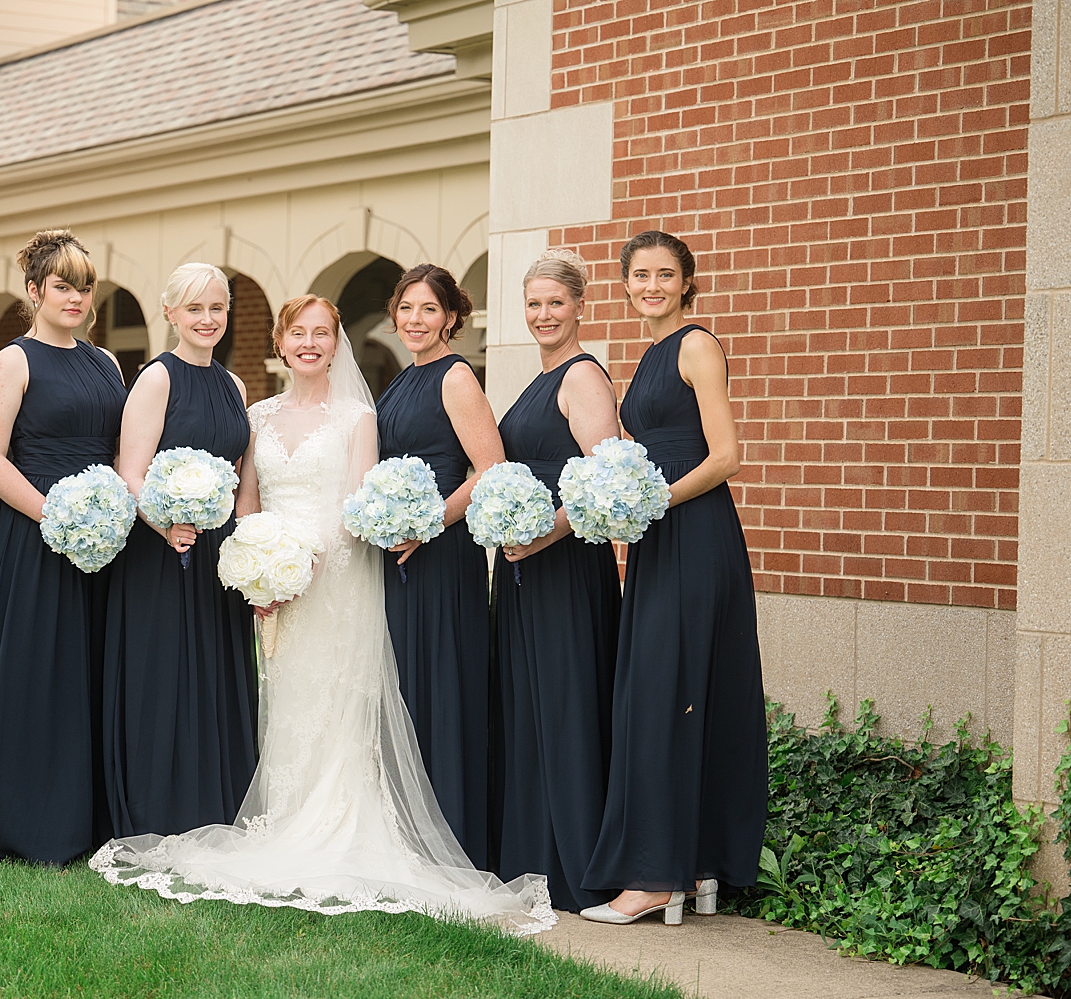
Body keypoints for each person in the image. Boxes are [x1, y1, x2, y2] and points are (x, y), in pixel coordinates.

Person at [91, 296, 554, 936]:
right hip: (277, 579)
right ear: (280, 343)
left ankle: (342, 824)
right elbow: (247, 495)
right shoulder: (257, 414)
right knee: (287, 700)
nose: (310, 343)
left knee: (340, 701)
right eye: (298, 333)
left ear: (336, 345)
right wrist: (261, 564)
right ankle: (284, 818)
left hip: (337, 577)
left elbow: (359, 502)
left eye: (322, 334)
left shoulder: (360, 416)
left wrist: (305, 562)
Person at [579, 230, 767, 925]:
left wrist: (651, 498)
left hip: (697, 536)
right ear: (625, 284)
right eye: (639, 275)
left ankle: (656, 878)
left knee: (666, 696)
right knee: (664, 694)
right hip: (660, 540)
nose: (651, 285)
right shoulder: (650, 354)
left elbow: (727, 455)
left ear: (687, 283)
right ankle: (693, 867)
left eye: (665, 274)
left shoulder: (695, 343)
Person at [0, 230, 127, 865]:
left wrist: (108, 514)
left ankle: (87, 822)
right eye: (62, 287)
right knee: (35, 672)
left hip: (102, 541)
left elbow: (116, 451)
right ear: (34, 291)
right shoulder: (13, 361)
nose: (77, 299)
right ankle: (21, 826)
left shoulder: (106, 364)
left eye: (85, 288)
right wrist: (51, 513)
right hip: (31, 538)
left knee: (91, 673)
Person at [103, 262, 257, 837]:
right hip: (161, 551)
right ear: (171, 313)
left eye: (217, 307)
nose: (208, 319)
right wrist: (166, 523)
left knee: (216, 673)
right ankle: (159, 811)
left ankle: (217, 806)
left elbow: (241, 475)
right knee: (166, 676)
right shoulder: (156, 379)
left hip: (216, 551)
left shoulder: (235, 385)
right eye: (195, 308)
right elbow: (131, 471)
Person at [492, 250, 622, 912]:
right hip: (522, 568)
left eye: (555, 302)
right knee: (527, 705)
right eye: (534, 303)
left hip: (565, 567)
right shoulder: (538, 376)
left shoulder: (583, 377)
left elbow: (604, 486)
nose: (544, 314)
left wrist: (540, 536)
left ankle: (576, 864)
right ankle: (530, 858)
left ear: (579, 305)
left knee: (567, 702)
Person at [373, 264, 504, 871]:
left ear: (451, 316)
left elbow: (488, 469)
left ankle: (453, 840)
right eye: (405, 309)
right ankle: (407, 836)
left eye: (428, 310)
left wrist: (428, 525)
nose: (414, 321)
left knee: (443, 685)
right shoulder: (404, 380)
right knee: (406, 689)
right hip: (401, 558)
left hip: (443, 556)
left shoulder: (455, 377)